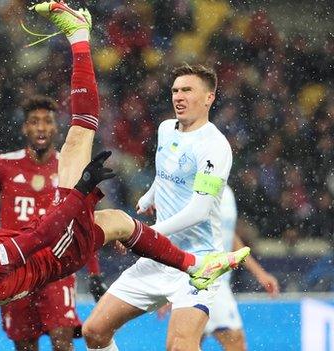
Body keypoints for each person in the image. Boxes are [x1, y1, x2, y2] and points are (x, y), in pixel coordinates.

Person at [0, 3, 249, 350]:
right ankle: (78, 36)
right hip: (53, 250)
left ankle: (193, 264)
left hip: (46, 256)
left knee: (99, 303)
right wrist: (82, 189)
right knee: (80, 135)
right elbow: (42, 234)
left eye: (186, 90)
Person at [82, 62, 240, 351]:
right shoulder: (166, 129)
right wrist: (150, 195)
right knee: (94, 332)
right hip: (157, 258)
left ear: (209, 98)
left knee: (179, 347)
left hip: (197, 264)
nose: (178, 96)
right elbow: (167, 171)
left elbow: (200, 210)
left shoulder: (215, 147)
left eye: (187, 90)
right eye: (175, 90)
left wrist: (143, 233)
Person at [0, 95, 106, 351]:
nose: (41, 127)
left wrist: (94, 272)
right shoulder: (2, 165)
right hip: (15, 268)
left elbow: (84, 223)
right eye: (34, 122)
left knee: (62, 340)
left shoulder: (68, 167)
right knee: (24, 345)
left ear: (56, 128)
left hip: (57, 264)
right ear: (25, 128)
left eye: (47, 121)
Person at [200, 186, 279, 350]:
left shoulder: (227, 191)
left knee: (186, 342)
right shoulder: (200, 187)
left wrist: (260, 273)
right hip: (207, 279)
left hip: (215, 281)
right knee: (235, 341)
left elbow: (228, 234)